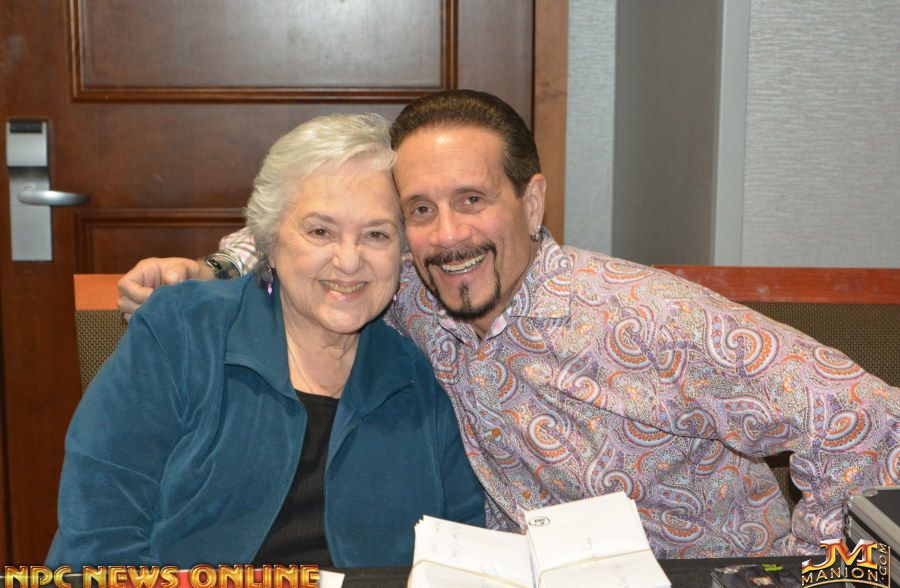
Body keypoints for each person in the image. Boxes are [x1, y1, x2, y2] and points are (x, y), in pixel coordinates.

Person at [117, 90, 899, 559]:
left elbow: (866, 415)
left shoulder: (650, 319)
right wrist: (209, 270)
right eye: (420, 210)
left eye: (472, 200)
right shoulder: (405, 288)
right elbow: (308, 230)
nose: (448, 235)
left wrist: (814, 577)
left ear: (531, 202)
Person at [48, 113, 485, 570]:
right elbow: (98, 535)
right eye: (320, 231)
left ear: (402, 253)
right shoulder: (183, 332)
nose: (349, 260)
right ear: (269, 242)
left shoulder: (422, 373)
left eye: (376, 234)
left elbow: (462, 553)